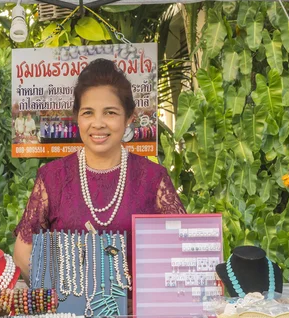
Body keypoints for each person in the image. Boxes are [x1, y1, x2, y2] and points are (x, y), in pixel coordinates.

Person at [13, 58, 185, 282]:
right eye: (88, 113)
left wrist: (144, 298)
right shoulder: (53, 178)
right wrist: (62, 293)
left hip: (135, 316)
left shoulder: (153, 179)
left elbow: (181, 251)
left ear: (129, 118)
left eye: (110, 113)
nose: (98, 123)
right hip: (70, 314)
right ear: (77, 117)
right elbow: (23, 253)